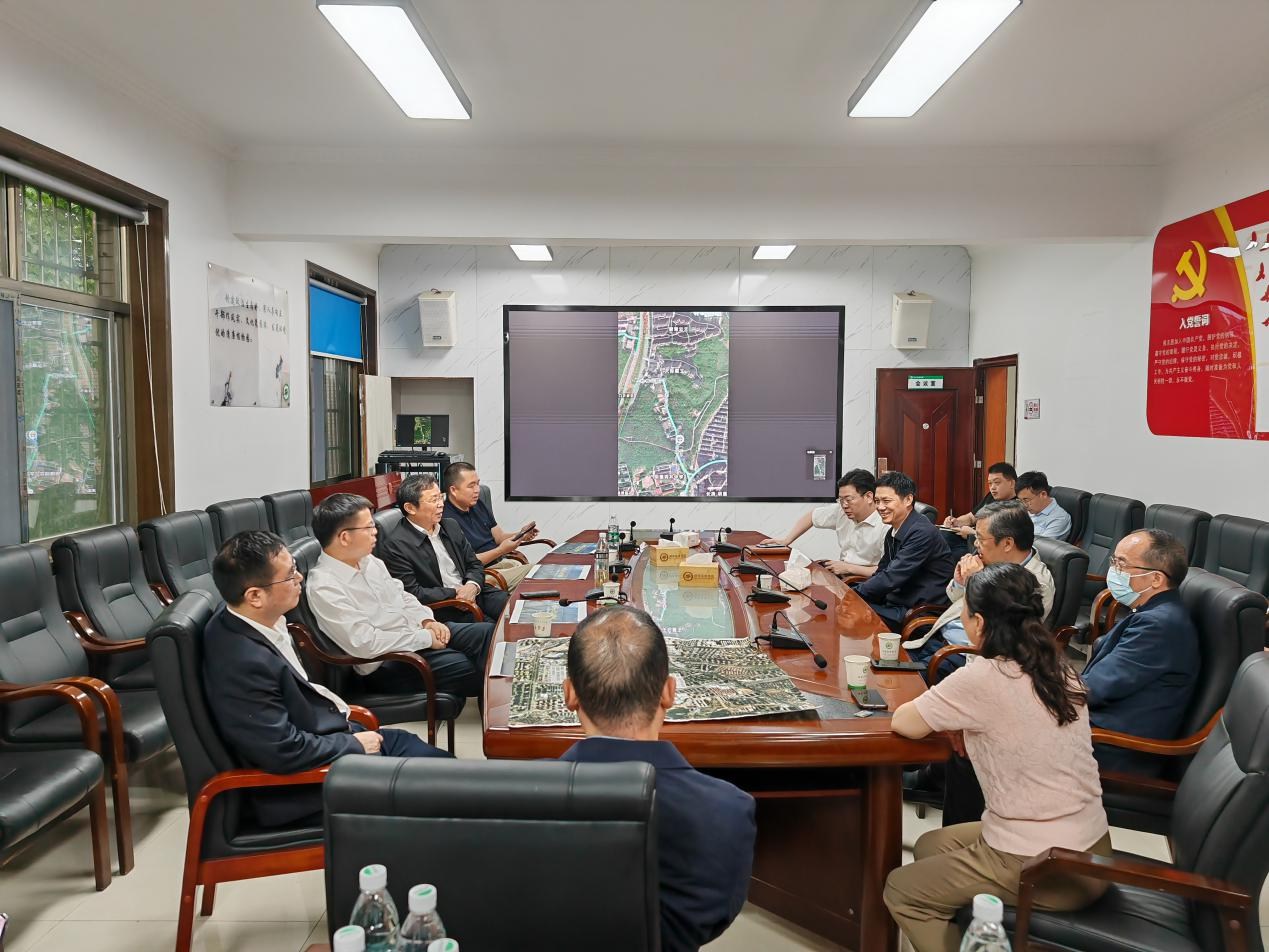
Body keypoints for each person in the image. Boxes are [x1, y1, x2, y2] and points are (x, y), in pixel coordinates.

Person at [884, 563, 1111, 952]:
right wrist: (962, 724)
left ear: (979, 622)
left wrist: (957, 721)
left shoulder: (983, 677)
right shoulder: (1057, 666)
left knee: (902, 890)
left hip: (1042, 866)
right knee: (930, 846)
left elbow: (905, 722)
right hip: (1091, 848)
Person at [203, 530, 449, 827]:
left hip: (330, 739)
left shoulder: (256, 620)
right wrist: (353, 745)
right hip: (306, 785)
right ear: (255, 596)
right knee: (446, 791)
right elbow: (281, 750)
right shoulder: (243, 661)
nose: (300, 578)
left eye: (295, 568)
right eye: (289, 575)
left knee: (445, 771)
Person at [559, 604, 756, 952]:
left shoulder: (508, 801)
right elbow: (712, 917)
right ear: (669, 692)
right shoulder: (729, 811)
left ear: (570, 694)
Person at [305, 493, 495, 700]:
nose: (375, 532)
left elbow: (403, 596)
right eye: (368, 527)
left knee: (486, 633)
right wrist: (425, 638)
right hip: (388, 663)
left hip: (414, 634)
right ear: (344, 537)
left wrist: (427, 621)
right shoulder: (324, 586)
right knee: (472, 667)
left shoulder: (369, 561)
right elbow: (366, 644)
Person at [1082, 528, 1199, 775]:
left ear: (1155, 579)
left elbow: (1096, 688)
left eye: (1121, 564)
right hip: (1098, 727)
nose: (1113, 570)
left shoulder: (1159, 625)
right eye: (1114, 561)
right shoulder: (1153, 612)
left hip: (1113, 747)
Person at [903, 501, 1054, 679]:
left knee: (898, 682)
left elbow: (1000, 636)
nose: (975, 544)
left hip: (966, 656)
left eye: (981, 538)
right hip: (938, 639)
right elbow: (954, 598)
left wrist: (976, 581)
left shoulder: (1037, 583)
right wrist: (960, 582)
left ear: (1007, 543)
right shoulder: (993, 558)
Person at [378, 474, 511, 624]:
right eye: (433, 500)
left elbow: (474, 563)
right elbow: (413, 592)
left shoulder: (450, 526)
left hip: (473, 592)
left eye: (440, 497)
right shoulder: (395, 545)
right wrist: (455, 593)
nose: (441, 504)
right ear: (410, 508)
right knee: (495, 630)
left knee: (516, 608)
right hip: (446, 606)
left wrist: (472, 585)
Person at [851, 471, 956, 631]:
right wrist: (854, 592)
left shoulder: (922, 532)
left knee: (852, 612)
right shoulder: (893, 531)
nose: (880, 507)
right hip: (897, 602)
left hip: (918, 612)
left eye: (886, 501)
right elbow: (882, 571)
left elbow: (891, 577)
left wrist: (851, 595)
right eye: (877, 501)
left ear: (908, 499)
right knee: (850, 608)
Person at [760, 468, 886, 577]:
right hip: (842, 575)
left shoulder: (885, 525)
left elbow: (886, 572)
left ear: (869, 497)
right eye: (841, 500)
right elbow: (812, 516)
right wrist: (786, 540)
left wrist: (848, 568)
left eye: (848, 499)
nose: (844, 505)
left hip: (866, 581)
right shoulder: (840, 511)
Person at [442, 461, 539, 588]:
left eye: (478, 484)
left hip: (498, 563)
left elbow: (499, 537)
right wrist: (501, 550)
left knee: (529, 568)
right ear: (453, 490)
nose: (477, 490)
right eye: (471, 486)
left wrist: (521, 535)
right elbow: (466, 563)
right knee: (537, 571)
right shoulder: (446, 520)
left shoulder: (478, 504)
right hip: (479, 574)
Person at [941, 462, 1017, 543]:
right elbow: (971, 518)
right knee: (943, 534)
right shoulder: (991, 496)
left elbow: (1000, 539)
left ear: (1012, 483)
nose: (992, 488)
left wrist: (973, 534)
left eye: (997, 482)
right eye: (990, 483)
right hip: (971, 539)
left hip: (985, 544)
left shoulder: (1018, 507)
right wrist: (956, 522)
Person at [1015, 470, 1073, 541]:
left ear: (1043, 494)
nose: (1024, 505)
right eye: (1021, 500)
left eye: (1026, 500)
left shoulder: (1059, 519)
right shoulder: (1028, 510)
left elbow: (1041, 545)